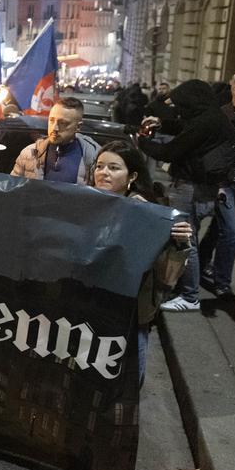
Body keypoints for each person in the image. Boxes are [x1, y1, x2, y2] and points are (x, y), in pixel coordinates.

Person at [91, 141, 192, 387]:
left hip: (130, 311)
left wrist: (179, 243)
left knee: (126, 379)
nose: (104, 173)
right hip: (90, 305)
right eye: (100, 166)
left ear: (132, 176)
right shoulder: (84, 203)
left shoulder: (149, 214)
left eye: (114, 168)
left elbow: (167, 276)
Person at [138, 79, 235, 312]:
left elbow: (170, 151)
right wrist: (161, 123)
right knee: (186, 238)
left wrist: (142, 141)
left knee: (185, 241)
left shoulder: (204, 123)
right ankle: (183, 287)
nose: (178, 109)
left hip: (191, 189)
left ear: (192, 102)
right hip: (205, 189)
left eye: (181, 104)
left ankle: (190, 296)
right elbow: (183, 127)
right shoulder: (212, 117)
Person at [196, 72, 235, 300]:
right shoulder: (222, 117)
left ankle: (200, 264)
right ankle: (223, 283)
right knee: (231, 232)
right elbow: (212, 152)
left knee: (217, 230)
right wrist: (219, 184)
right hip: (226, 184)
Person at [10, 97, 100, 184]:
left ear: (78, 127)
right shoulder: (29, 154)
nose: (54, 128)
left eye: (63, 123)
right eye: (51, 120)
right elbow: (12, 188)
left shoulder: (95, 159)